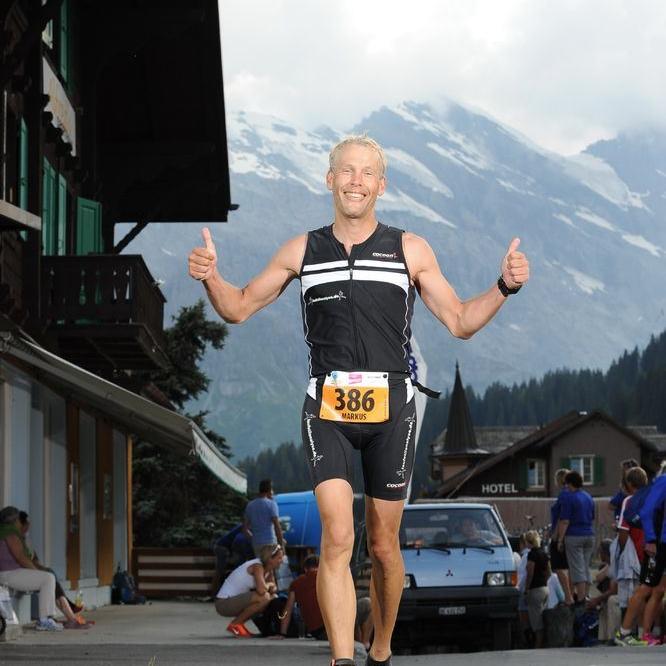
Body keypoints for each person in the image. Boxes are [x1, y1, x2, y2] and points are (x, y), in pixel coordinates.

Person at [188, 135, 530, 666]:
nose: (355, 181)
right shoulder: (301, 250)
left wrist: (504, 287)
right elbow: (237, 308)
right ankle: (341, 659)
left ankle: (382, 648)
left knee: (384, 545)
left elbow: (461, 320)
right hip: (326, 408)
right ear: (330, 179)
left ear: (381, 185)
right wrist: (212, 277)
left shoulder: (410, 250)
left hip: (392, 411)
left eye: (367, 173)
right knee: (338, 535)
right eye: (346, 171)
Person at [616, 466, 666, 647]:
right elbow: (646, 511)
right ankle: (624, 632)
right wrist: (651, 540)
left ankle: (647, 634)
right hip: (658, 543)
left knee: (659, 590)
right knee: (646, 588)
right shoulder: (663, 482)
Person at [18, 511, 90, 629]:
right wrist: (39, 569)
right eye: (27, 524)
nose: (28, 527)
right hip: (24, 573)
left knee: (50, 575)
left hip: (32, 570)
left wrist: (40, 568)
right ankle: (69, 614)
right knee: (49, 576)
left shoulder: (25, 540)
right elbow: (25, 561)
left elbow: (34, 559)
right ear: (21, 524)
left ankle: (68, 613)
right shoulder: (15, 539)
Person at [0, 506, 62, 632]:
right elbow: (21, 557)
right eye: (19, 520)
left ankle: (46, 619)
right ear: (15, 520)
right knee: (48, 578)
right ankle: (44, 620)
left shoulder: (4, 531)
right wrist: (36, 571)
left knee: (47, 577)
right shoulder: (10, 534)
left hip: (9, 573)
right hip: (9, 574)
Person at [215, 543, 284, 637]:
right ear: (270, 559)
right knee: (264, 597)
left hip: (235, 601)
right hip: (223, 603)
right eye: (279, 558)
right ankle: (235, 624)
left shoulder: (269, 569)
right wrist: (269, 584)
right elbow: (262, 591)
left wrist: (269, 586)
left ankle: (244, 625)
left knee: (273, 598)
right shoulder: (257, 566)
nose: (282, 561)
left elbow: (274, 590)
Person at [555, 470, 595, 604]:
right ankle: (587, 596)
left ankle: (581, 600)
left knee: (577, 568)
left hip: (574, 536)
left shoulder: (570, 498)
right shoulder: (588, 497)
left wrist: (560, 540)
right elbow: (592, 517)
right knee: (586, 567)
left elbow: (565, 521)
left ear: (569, 483)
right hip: (589, 535)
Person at [588, 538, 620, 643]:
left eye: (600, 551)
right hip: (614, 593)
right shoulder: (609, 564)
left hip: (623, 594)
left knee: (610, 600)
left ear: (605, 553)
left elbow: (613, 590)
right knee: (603, 602)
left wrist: (596, 600)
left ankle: (612, 637)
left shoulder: (616, 564)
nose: (599, 554)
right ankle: (603, 638)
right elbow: (598, 578)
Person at [549, 468, 574, 605]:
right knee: (569, 567)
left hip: (560, 534)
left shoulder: (563, 495)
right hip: (570, 534)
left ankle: (568, 597)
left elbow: (561, 517)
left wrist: (556, 536)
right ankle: (571, 594)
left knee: (558, 567)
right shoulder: (572, 493)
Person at [243, 479, 285, 557]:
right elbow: (277, 526)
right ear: (269, 490)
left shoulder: (250, 505)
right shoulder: (271, 504)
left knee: (260, 563)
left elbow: (245, 529)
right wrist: (281, 544)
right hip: (270, 542)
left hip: (256, 543)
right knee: (272, 564)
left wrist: (254, 538)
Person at [523, 530, 550, 648]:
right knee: (541, 617)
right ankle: (542, 642)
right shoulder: (544, 553)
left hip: (535, 590)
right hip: (545, 588)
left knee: (536, 621)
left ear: (529, 542)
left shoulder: (532, 554)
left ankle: (538, 645)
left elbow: (530, 573)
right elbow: (549, 572)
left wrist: (526, 589)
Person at [608, 458, 640, 524]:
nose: (622, 473)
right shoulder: (643, 488)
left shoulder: (626, 490)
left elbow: (611, 506)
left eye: (624, 470)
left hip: (625, 524)